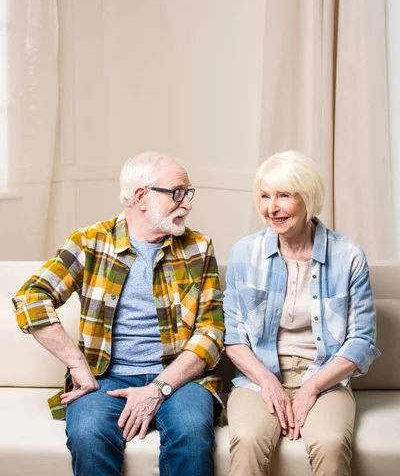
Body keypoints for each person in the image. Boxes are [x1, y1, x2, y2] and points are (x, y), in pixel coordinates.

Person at [12, 152, 225, 476]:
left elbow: (211, 330)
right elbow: (30, 297)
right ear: (142, 196)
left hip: (178, 377)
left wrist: (158, 389)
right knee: (88, 435)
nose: (188, 204)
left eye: (188, 193)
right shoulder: (90, 243)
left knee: (193, 432)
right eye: (178, 192)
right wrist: (76, 363)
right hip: (105, 377)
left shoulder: (198, 248)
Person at [223, 150, 380, 476]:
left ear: (308, 197)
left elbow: (361, 340)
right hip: (259, 378)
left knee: (331, 443)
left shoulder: (348, 256)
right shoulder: (244, 253)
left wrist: (310, 388)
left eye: (284, 196)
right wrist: (268, 382)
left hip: (327, 378)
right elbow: (234, 338)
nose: (272, 208)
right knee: (247, 438)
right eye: (265, 196)